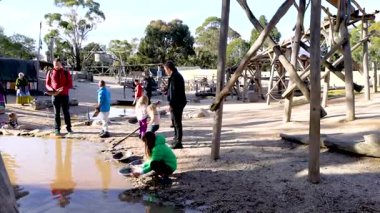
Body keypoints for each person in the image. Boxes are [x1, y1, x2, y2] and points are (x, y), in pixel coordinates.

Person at [46, 58, 73, 136]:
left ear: (61, 64)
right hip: (55, 95)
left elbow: (70, 84)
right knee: (56, 113)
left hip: (64, 95)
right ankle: (57, 129)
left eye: (58, 64)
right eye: (55, 64)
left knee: (66, 112)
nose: (56, 66)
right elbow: (47, 84)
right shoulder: (50, 72)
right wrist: (52, 90)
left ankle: (69, 128)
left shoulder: (65, 72)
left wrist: (63, 88)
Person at [164, 60, 187, 149]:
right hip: (178, 101)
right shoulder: (174, 75)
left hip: (177, 102)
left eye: (165, 69)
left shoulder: (175, 77)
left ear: (169, 68)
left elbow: (174, 92)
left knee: (177, 122)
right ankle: (176, 138)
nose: (165, 71)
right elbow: (172, 90)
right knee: (174, 121)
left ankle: (179, 142)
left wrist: (171, 104)